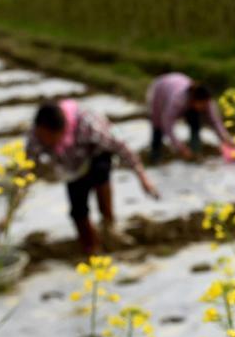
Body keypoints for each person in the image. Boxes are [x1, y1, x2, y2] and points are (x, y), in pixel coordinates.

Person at [26, 99, 159, 255]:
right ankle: (91, 246)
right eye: (42, 137)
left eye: (48, 138)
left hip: (96, 157)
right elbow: (28, 166)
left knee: (101, 178)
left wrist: (143, 178)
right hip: (71, 167)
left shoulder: (89, 126)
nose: (44, 142)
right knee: (78, 208)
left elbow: (121, 147)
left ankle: (109, 228)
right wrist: (13, 203)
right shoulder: (37, 135)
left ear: (60, 131)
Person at [146, 72, 234, 163]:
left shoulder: (207, 103)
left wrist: (227, 139)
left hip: (179, 84)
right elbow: (167, 123)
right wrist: (180, 147)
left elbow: (215, 122)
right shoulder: (178, 100)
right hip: (160, 90)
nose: (204, 107)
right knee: (158, 125)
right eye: (202, 104)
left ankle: (195, 152)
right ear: (194, 99)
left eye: (206, 104)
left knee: (195, 121)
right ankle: (155, 155)